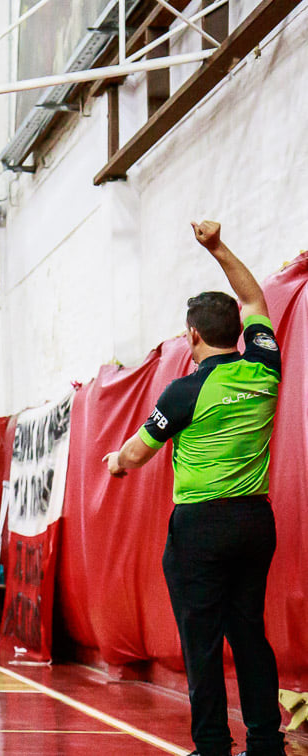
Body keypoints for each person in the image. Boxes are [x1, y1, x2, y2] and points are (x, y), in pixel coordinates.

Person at [103, 221, 285, 756]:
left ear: (193, 337)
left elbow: (136, 453)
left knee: (201, 638)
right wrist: (217, 247)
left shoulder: (185, 390)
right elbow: (253, 296)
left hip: (201, 527)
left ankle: (211, 744)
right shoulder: (265, 365)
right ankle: (265, 740)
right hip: (255, 522)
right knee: (249, 630)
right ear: (239, 333)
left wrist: (115, 462)